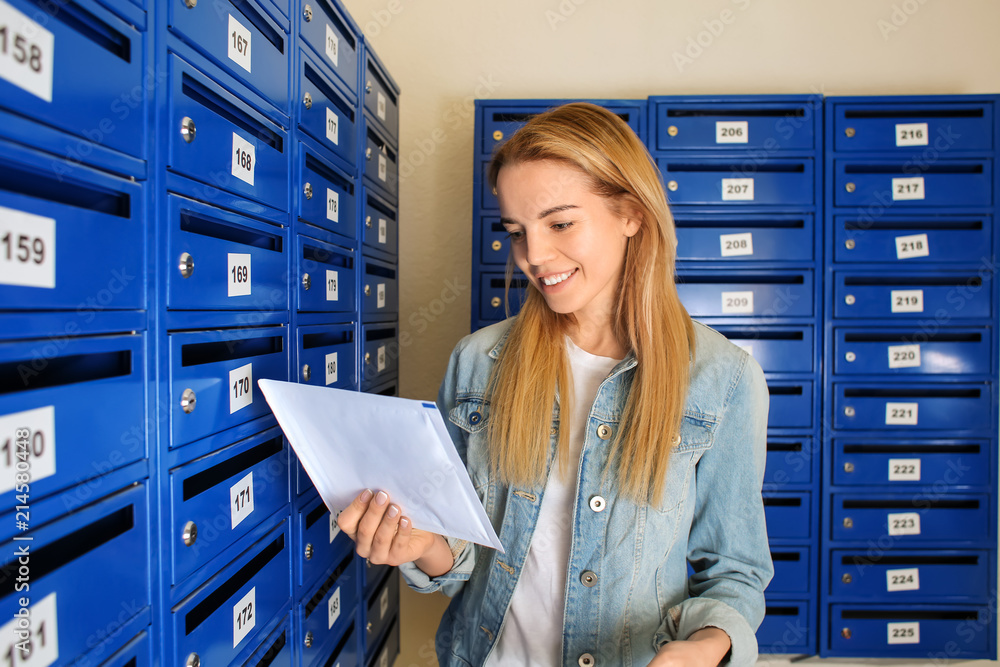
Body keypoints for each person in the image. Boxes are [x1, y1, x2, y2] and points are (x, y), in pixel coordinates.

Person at [338, 102, 772, 667]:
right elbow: (459, 554)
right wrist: (422, 547)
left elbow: (734, 573)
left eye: (560, 223)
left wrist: (708, 647)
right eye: (516, 232)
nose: (533, 257)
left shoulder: (724, 379)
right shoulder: (477, 363)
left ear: (632, 215)